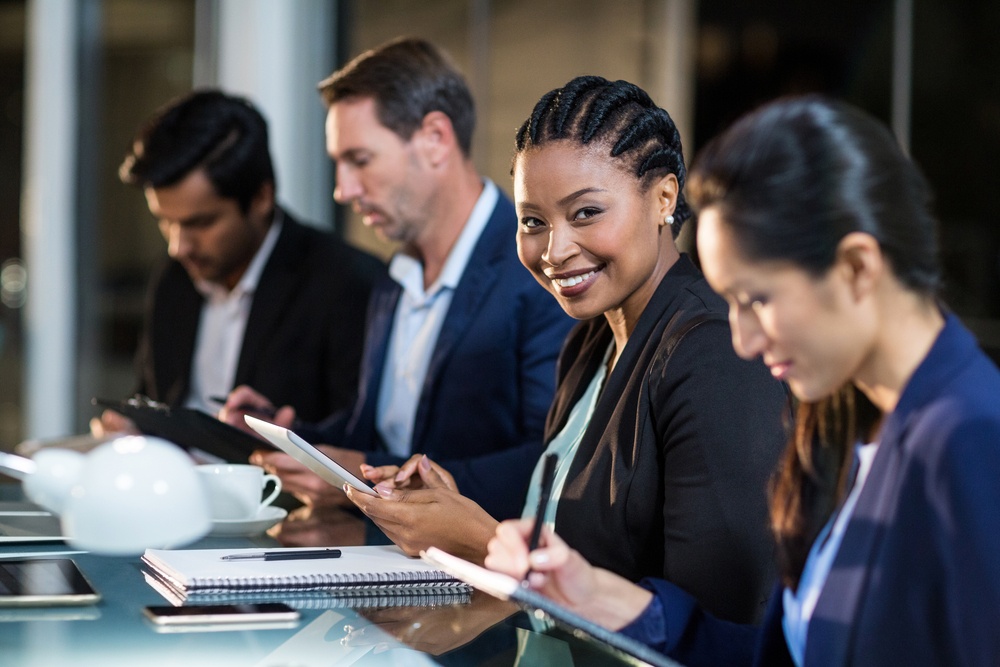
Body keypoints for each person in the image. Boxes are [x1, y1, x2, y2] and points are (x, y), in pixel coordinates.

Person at [484, 96, 1000, 667]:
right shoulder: (842, 428)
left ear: (857, 267)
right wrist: (601, 598)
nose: (743, 340)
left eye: (757, 300)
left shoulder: (970, 439)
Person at [347, 76, 788, 626]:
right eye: (533, 221)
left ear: (664, 199)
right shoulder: (592, 338)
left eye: (585, 214)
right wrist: (454, 507)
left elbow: (718, 625)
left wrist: (479, 539)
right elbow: (576, 537)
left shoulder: (714, 354)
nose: (553, 251)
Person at [220, 38, 574, 522]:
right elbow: (380, 433)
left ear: (434, 139)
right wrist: (295, 436)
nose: (343, 190)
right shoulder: (391, 280)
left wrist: (384, 481)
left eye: (360, 160)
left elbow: (553, 462)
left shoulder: (540, 267)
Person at [92, 90, 384, 436]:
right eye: (164, 220)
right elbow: (152, 395)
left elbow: (361, 441)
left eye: (200, 223)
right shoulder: (174, 277)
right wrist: (131, 427)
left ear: (262, 197)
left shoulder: (348, 284)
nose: (178, 246)